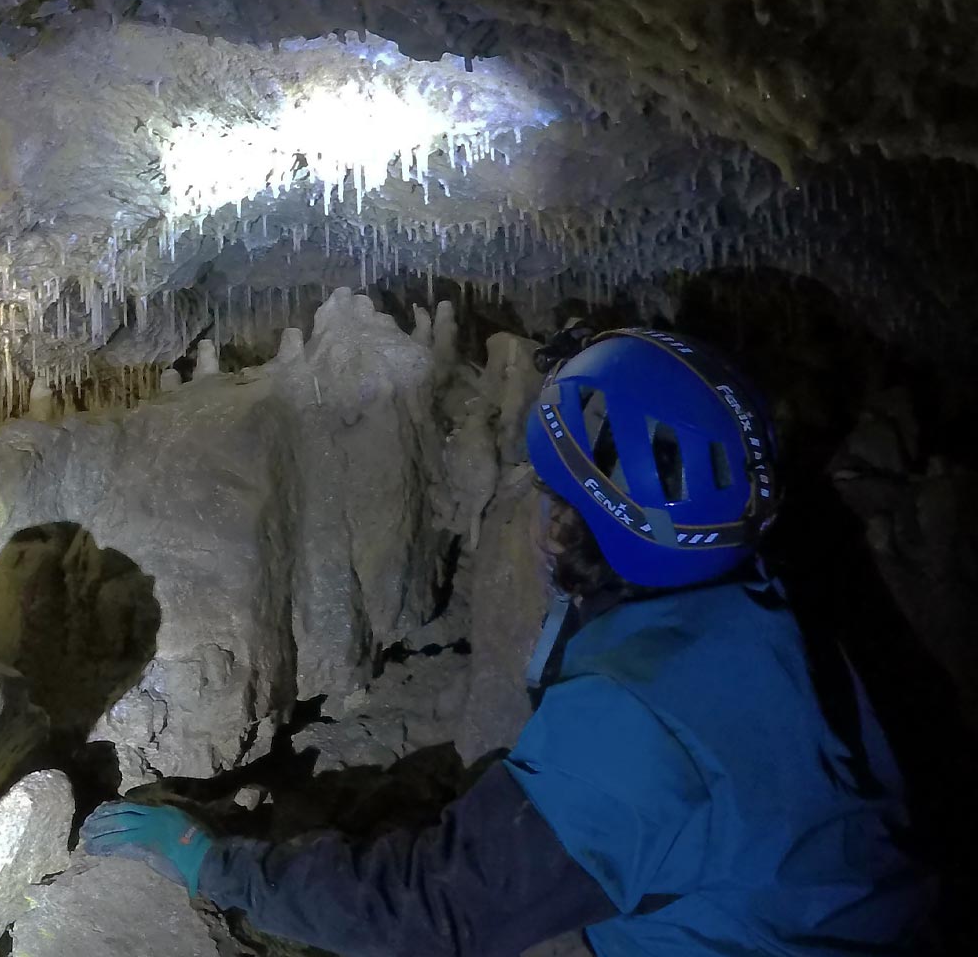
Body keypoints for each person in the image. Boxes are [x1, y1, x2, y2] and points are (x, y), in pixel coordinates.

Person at [82, 327, 932, 956]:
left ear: (574, 529)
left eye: (546, 496)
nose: (533, 519)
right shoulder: (750, 607)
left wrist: (212, 866)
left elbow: (431, 909)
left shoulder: (634, 719)